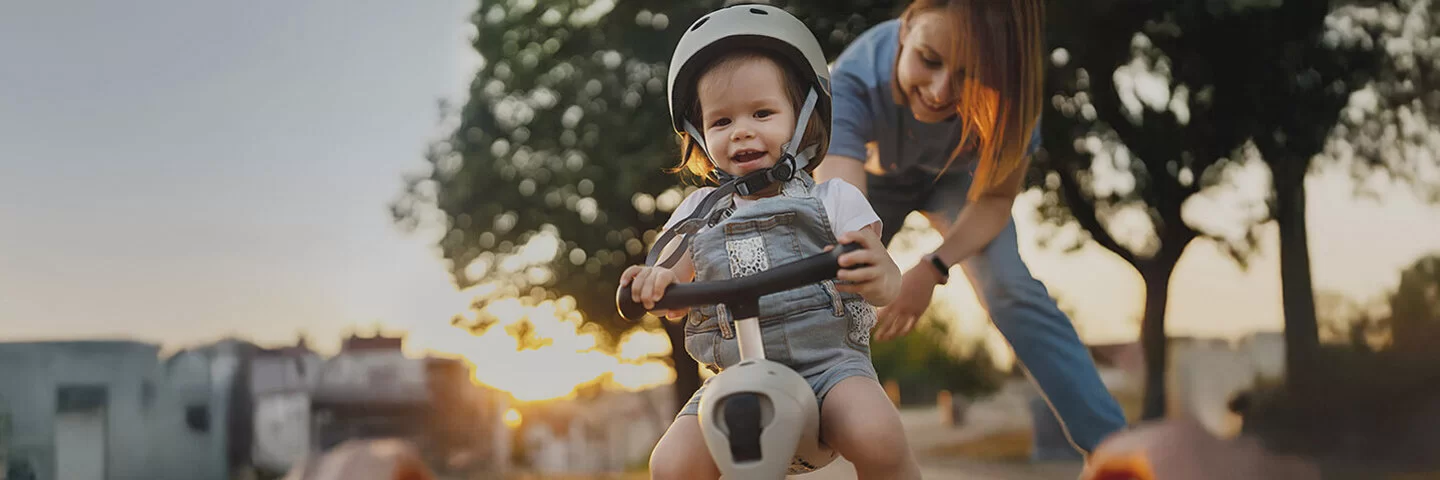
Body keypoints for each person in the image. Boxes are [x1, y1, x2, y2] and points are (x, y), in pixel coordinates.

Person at [813, 0, 1129, 455]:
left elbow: (996, 200)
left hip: (959, 182)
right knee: (831, 271)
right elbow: (845, 211)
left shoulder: (1013, 96)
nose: (941, 91)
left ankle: (1113, 447)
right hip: (875, 182)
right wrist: (871, 265)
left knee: (1008, 286)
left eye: (968, 75)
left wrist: (932, 267)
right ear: (906, 30)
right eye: (929, 61)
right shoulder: (849, 82)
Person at [618, 4, 921, 479]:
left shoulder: (833, 200)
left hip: (829, 371)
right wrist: (654, 283)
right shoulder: (694, 216)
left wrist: (878, 274)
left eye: (762, 112)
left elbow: (882, 277)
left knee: (878, 436)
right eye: (721, 122)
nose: (741, 130)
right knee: (670, 465)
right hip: (734, 376)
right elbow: (671, 277)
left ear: (802, 119)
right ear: (699, 133)